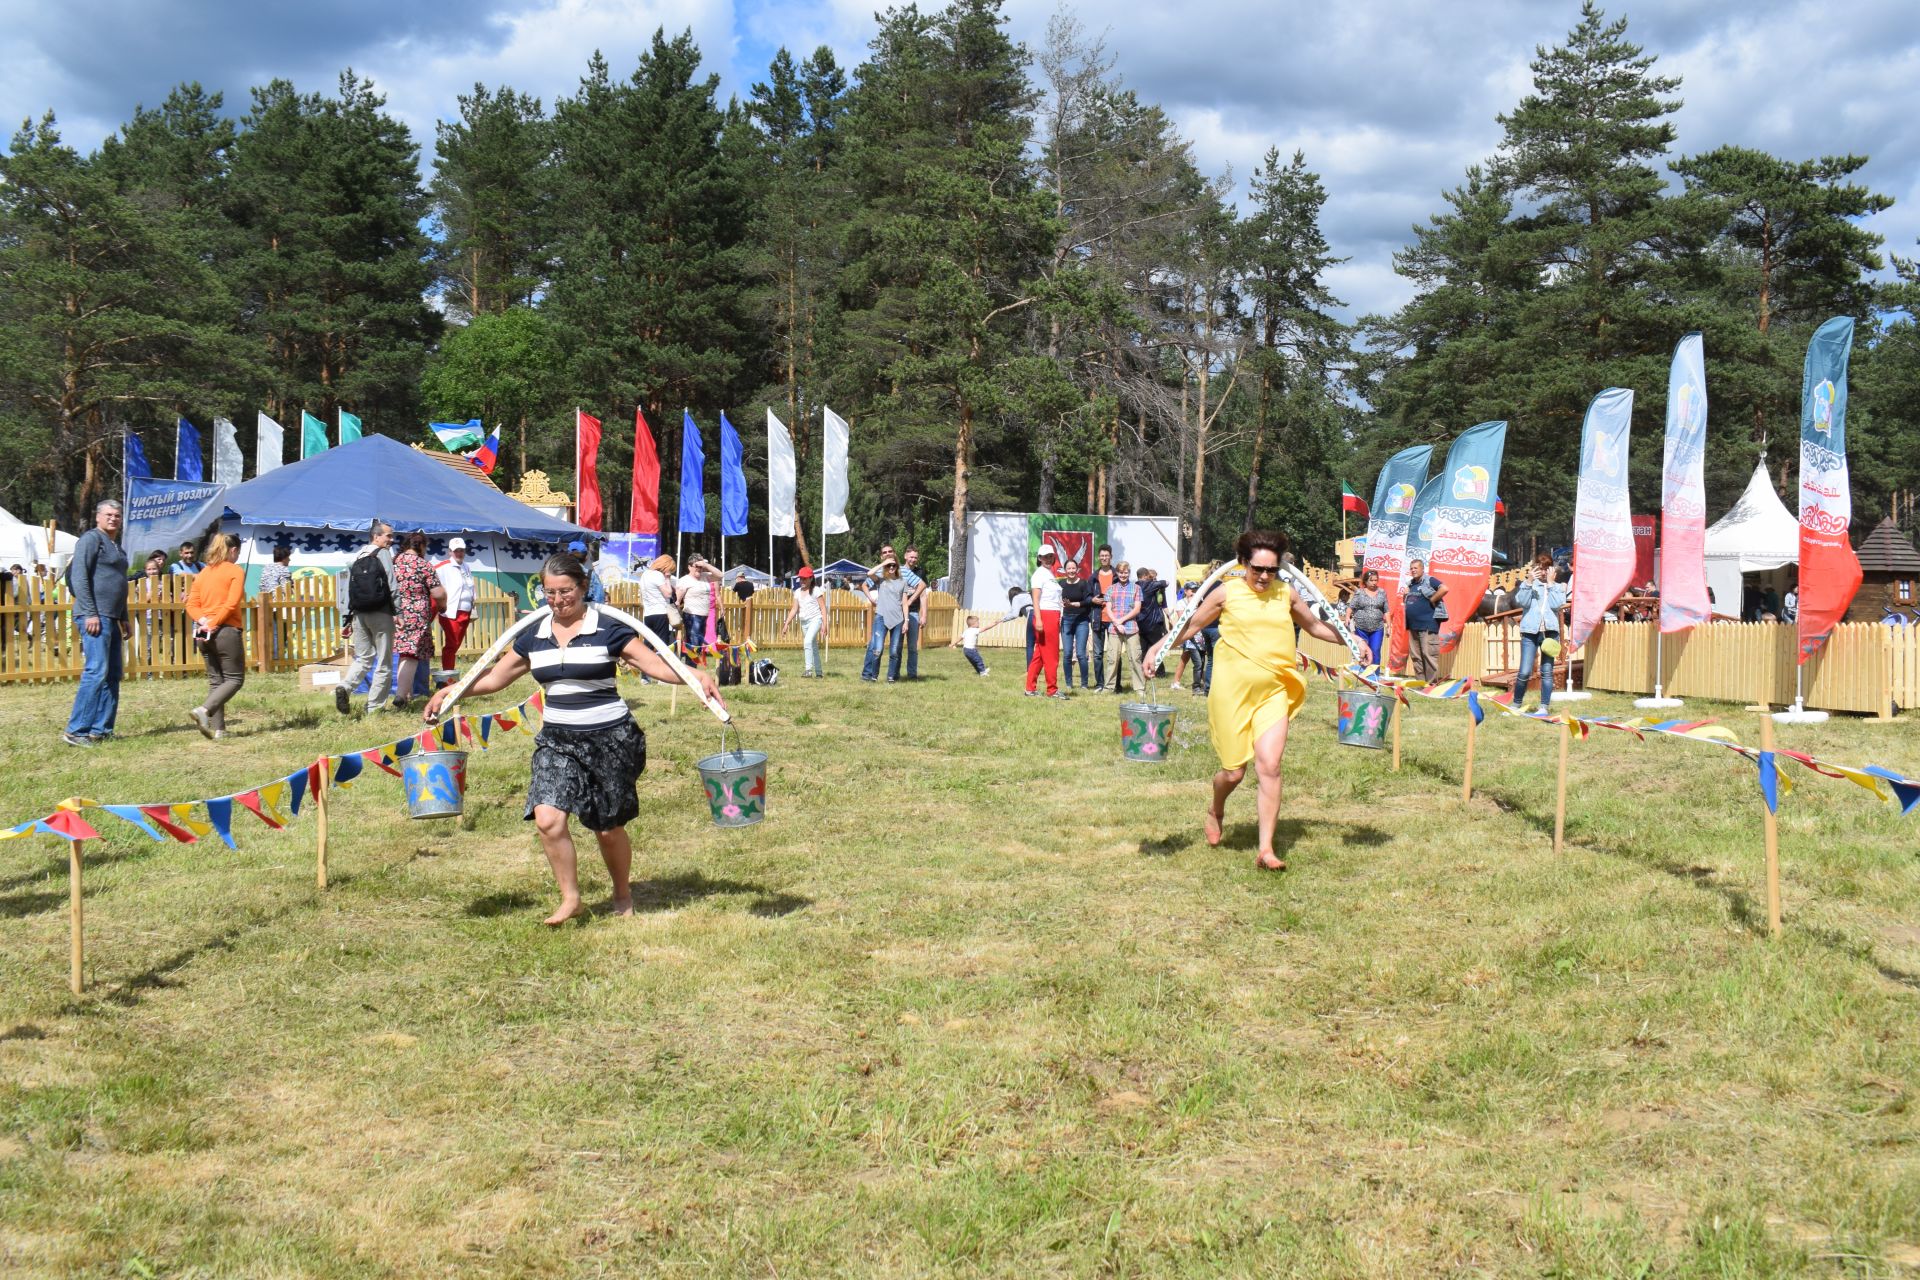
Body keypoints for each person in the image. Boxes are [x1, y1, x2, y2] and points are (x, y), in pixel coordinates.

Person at [422, 553, 724, 926]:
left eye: (565, 591)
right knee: (548, 819)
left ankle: (621, 891)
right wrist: (452, 692)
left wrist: (695, 675)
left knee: (607, 827)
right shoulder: (534, 636)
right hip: (557, 739)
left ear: (583, 588)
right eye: (550, 593)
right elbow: (495, 679)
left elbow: (653, 664)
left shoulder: (608, 628)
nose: (558, 600)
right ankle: (571, 898)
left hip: (610, 738)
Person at [1146, 530, 1345, 872]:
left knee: (1270, 766)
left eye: (1272, 570)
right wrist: (1157, 647)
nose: (1265, 576)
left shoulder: (1286, 593)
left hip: (1273, 691)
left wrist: (1350, 640)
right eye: (1258, 569)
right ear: (1243, 564)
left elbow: (1314, 626)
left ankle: (1265, 849)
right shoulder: (1226, 592)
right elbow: (1191, 625)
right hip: (1231, 693)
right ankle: (1216, 807)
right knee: (1234, 773)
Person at [63, 499, 130, 747]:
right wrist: (90, 612)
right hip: (94, 616)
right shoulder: (91, 539)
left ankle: (101, 730)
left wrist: (124, 617)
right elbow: (79, 576)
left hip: (112, 617)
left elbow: (119, 583)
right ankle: (76, 731)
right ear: (98, 517)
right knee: (96, 670)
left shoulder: (117, 547)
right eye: (109, 515)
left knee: (113, 674)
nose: (113, 518)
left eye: (117, 515)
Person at [185, 533, 247, 739]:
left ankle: (219, 730)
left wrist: (203, 621)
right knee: (234, 679)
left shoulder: (203, 573)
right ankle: (204, 710)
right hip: (225, 630)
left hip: (202, 632)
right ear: (233, 550)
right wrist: (214, 623)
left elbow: (191, 604)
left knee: (216, 680)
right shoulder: (235, 571)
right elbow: (231, 603)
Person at [337, 519, 397, 716]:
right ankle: (375, 708)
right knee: (384, 661)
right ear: (376, 536)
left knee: (363, 657)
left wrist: (347, 619)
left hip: (359, 614)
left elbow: (348, 589)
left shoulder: (358, 555)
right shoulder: (384, 554)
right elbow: (392, 585)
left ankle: (345, 686)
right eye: (388, 536)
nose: (391, 540)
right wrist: (400, 612)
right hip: (381, 613)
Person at [1508, 554, 1569, 711]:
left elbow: (1557, 604)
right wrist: (1528, 582)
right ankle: (1516, 704)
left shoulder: (1557, 586)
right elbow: (1522, 602)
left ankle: (1544, 707)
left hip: (1550, 633)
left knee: (1547, 671)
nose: (1542, 572)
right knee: (1524, 671)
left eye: (1546, 568)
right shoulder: (1529, 584)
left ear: (1551, 569)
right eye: (1540, 568)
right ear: (1535, 568)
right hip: (1530, 632)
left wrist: (1550, 584)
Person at [391, 532, 438, 708]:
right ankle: (401, 695)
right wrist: (443, 604)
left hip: (395, 613)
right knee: (411, 654)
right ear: (421, 546)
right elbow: (438, 592)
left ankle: (407, 693)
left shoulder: (393, 562)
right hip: (416, 614)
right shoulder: (423, 564)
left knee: (404, 653)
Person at [861, 556, 910, 683]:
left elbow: (904, 603)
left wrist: (906, 620)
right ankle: (873, 676)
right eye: (889, 566)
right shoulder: (881, 580)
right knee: (877, 649)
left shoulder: (903, 582)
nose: (891, 568)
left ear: (898, 567)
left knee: (894, 651)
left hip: (898, 620)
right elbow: (869, 573)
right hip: (881, 617)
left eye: (894, 565)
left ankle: (891, 677)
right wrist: (884, 563)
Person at [434, 537, 477, 678]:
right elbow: (429, 578)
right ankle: (448, 674)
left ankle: (448, 673)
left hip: (465, 611)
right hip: (450, 611)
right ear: (450, 552)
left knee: (456, 643)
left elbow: (470, 587)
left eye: (462, 550)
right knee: (452, 644)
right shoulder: (443, 567)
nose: (459, 553)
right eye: (456, 551)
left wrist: (473, 601)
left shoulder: (466, 566)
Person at [1024, 547, 1064, 698]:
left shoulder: (1049, 574)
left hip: (1052, 614)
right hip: (1046, 616)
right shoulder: (1039, 574)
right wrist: (1039, 619)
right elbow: (1035, 599)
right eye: (1045, 557)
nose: (1048, 559)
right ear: (1039, 558)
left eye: (1050, 556)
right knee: (1052, 655)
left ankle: (1030, 688)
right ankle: (1052, 690)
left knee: (1040, 655)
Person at [1100, 561, 1145, 694]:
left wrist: (1122, 621)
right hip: (1114, 629)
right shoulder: (1111, 589)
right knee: (1112, 658)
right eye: (1121, 572)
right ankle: (1108, 687)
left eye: (1126, 572)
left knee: (1135, 658)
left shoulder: (1136, 588)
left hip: (1131, 628)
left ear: (1129, 573)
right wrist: (1116, 623)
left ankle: (1139, 688)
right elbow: (1108, 609)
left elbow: (1137, 609)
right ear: (1117, 573)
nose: (1123, 575)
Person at [1402, 558, 1446, 681]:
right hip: (1412, 625)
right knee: (1416, 656)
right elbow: (1409, 603)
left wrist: (1433, 599)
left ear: (1422, 569)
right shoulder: (1411, 584)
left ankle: (1431, 685)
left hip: (1428, 624)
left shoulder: (1429, 580)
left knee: (1428, 654)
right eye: (1411, 568)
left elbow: (1444, 588)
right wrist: (1405, 595)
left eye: (1416, 568)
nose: (1413, 570)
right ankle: (1420, 683)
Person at [780, 565, 826, 676]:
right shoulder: (797, 592)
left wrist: (825, 624)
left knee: (807, 642)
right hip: (804, 622)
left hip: (815, 620)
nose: (802, 581)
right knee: (813, 646)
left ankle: (808, 670)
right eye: (801, 578)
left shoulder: (816, 590)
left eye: (805, 578)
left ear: (811, 578)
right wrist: (786, 624)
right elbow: (794, 609)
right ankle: (819, 672)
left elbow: (823, 608)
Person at [1057, 559, 1096, 689]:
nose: (1071, 571)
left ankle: (1084, 684)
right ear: (1065, 570)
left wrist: (1076, 604)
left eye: (1074, 568)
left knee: (1080, 653)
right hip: (1066, 620)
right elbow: (1056, 599)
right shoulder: (1061, 584)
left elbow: (1089, 601)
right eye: (1069, 569)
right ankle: (1069, 684)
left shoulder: (1084, 584)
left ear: (1077, 569)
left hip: (1082, 621)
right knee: (1067, 653)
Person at [1346, 569, 1388, 666]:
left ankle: (1374, 675)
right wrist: (1348, 617)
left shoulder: (1382, 592)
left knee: (1375, 651)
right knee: (1363, 651)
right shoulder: (1359, 593)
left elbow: (1386, 610)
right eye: (1371, 580)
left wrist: (1389, 626)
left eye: (1375, 580)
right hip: (1361, 628)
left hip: (1377, 628)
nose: (1374, 582)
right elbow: (1350, 607)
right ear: (1365, 581)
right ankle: (1365, 675)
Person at [900, 547, 930, 679]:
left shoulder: (920, 572)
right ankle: (894, 674)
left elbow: (923, 595)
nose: (913, 559)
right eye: (911, 557)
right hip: (898, 612)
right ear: (905, 556)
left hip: (913, 613)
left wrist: (924, 615)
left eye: (915, 557)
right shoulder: (897, 570)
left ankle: (912, 675)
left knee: (912, 646)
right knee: (897, 645)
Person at [637, 554, 678, 650]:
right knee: (662, 644)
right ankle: (662, 663)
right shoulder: (658, 575)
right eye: (670, 570)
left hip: (648, 614)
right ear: (665, 567)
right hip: (660, 612)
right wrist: (667, 578)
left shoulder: (645, 574)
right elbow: (668, 594)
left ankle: (645, 663)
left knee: (649, 643)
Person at [1091, 545, 1116, 690]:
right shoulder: (1093, 576)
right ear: (1099, 557)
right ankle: (1100, 683)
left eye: (1107, 555)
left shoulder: (1117, 576)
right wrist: (1092, 600)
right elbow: (1087, 596)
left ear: (1110, 556)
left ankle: (1114, 684)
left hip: (1114, 620)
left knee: (1114, 654)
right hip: (1097, 619)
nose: (1104, 558)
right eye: (1102, 556)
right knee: (1098, 654)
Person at [1137, 567, 1169, 660]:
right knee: (1149, 646)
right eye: (1152, 578)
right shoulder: (1147, 586)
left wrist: (1169, 616)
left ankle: (1154, 669)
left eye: (1155, 578)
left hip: (1156, 619)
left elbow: (1164, 604)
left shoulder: (1159, 590)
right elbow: (1166, 582)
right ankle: (1154, 669)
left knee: (1153, 646)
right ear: (1147, 577)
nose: (1154, 581)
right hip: (1149, 621)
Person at [1005, 585, 1034, 669]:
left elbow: (1014, 614)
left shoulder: (1017, 597)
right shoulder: (1028, 594)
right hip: (1043, 614)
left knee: (1030, 646)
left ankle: (1030, 670)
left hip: (1033, 616)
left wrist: (1002, 619)